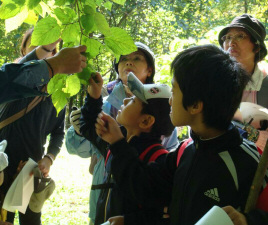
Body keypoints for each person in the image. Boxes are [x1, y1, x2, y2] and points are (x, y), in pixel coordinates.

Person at [95, 45, 268, 225]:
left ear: (195, 106)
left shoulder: (249, 162)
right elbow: (147, 188)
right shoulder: (185, 150)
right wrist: (117, 142)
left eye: (174, 90)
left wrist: (249, 220)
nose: (170, 100)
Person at [66, 42, 178, 224]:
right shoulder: (115, 140)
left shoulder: (158, 159)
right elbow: (90, 128)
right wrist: (93, 98)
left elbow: (158, 208)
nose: (125, 100)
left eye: (133, 100)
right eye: (124, 59)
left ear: (146, 121)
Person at [0, 29, 65, 225]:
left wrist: (49, 158)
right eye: (39, 45)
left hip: (30, 170)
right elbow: (19, 71)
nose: (47, 51)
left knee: (30, 220)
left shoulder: (58, 91)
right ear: (24, 49)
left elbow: (58, 132)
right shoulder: (10, 79)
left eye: (52, 47)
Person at [0, 44, 87, 108]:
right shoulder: (21, 85)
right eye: (33, 46)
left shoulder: (52, 91)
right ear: (23, 48)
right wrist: (55, 64)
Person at [218, 14, 268, 150]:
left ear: (257, 47)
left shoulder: (266, 83)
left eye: (240, 36)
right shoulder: (215, 81)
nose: (231, 43)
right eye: (227, 37)